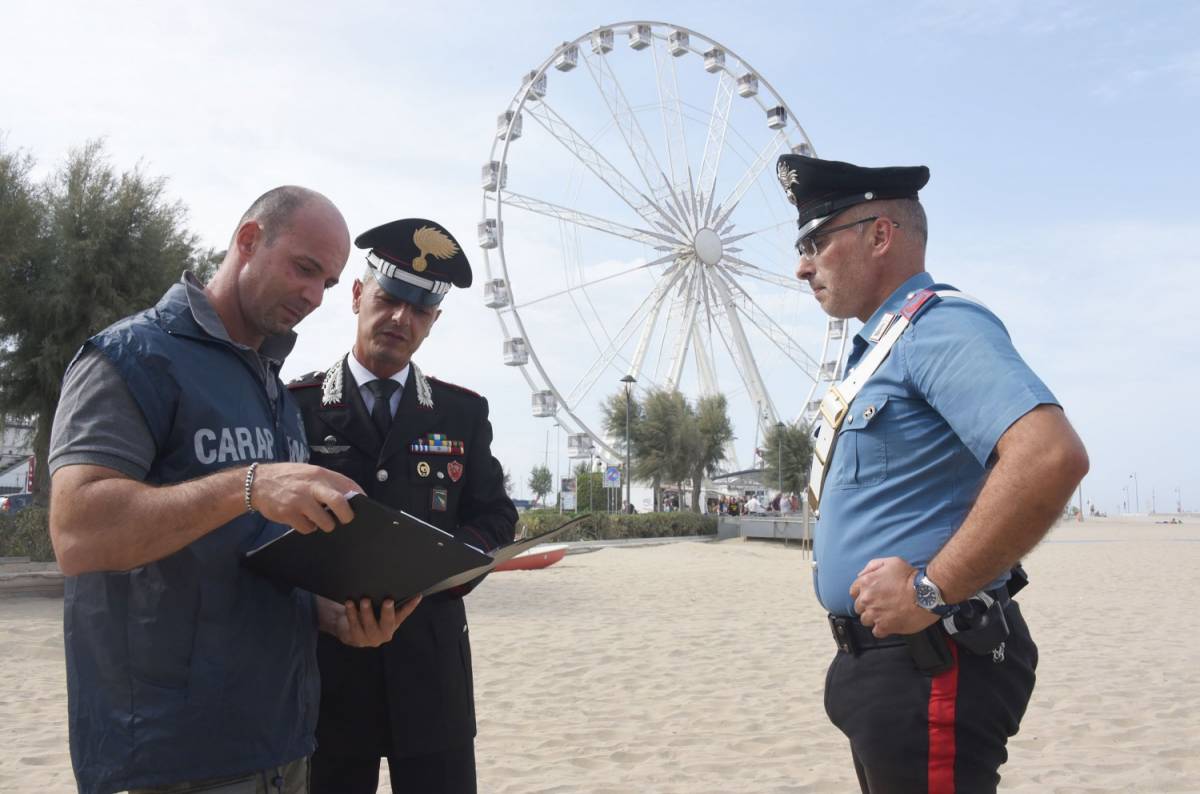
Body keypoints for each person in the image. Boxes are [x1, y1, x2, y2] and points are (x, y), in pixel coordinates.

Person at [47, 187, 421, 794]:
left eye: (328, 283)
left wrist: (328, 615)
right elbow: (77, 532)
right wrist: (249, 484)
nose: (312, 296)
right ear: (248, 240)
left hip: (282, 746)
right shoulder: (131, 357)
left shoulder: (273, 387)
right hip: (169, 759)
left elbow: (248, 555)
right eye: (304, 269)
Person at [776, 153, 1088, 792]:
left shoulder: (937, 328)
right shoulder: (882, 346)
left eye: (817, 241)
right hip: (888, 668)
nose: (803, 265)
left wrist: (930, 589)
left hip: (933, 660)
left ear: (880, 235)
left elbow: (1049, 456)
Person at [288, 218, 518, 794]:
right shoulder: (297, 406)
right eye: (390, 300)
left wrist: (444, 573)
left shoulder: (460, 414)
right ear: (359, 296)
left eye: (419, 312)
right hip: (325, 675)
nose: (400, 320)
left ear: (433, 322)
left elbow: (495, 516)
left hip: (430, 672)